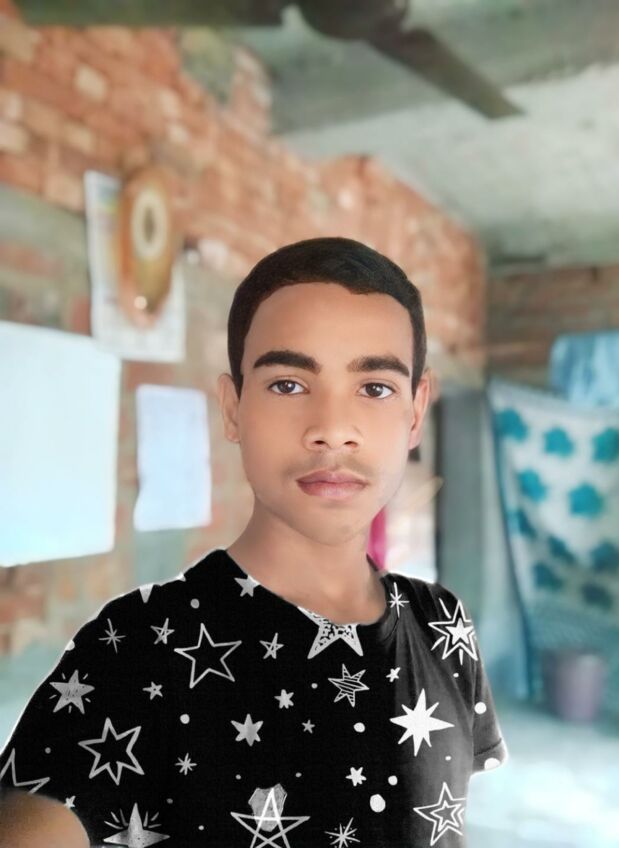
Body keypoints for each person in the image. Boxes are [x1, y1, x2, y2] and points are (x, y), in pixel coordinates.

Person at [0, 237, 508, 847]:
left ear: (416, 412)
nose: (332, 430)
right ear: (233, 408)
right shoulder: (139, 645)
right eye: (288, 384)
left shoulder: (442, 622)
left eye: (375, 388)